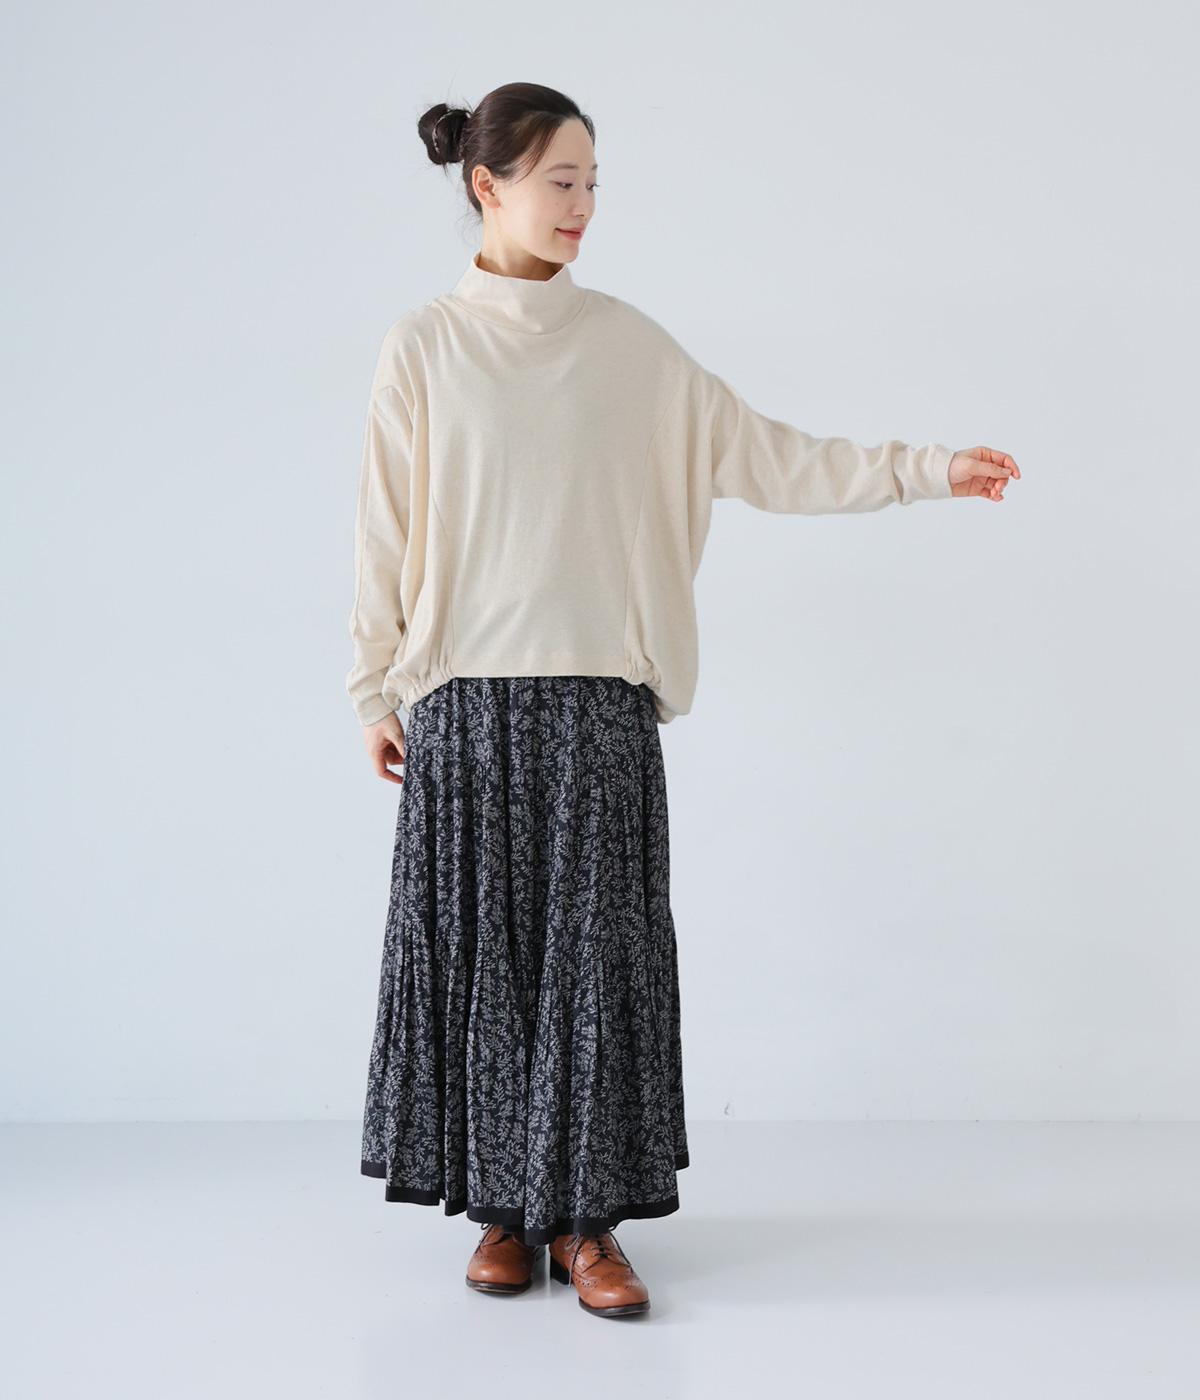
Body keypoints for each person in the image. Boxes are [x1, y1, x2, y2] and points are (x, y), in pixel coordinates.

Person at [346, 82, 1020, 1321]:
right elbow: (383, 526)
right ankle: (504, 1210)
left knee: (597, 970)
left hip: (600, 706)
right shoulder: (425, 346)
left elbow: (772, 454)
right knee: (491, 965)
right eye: (562, 181)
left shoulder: (632, 349)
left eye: (594, 183)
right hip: (464, 707)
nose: (584, 206)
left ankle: (588, 1221)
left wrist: (928, 467)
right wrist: (372, 686)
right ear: (487, 186)